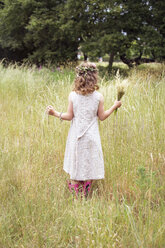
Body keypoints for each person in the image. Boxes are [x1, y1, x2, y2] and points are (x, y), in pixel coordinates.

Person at [46, 62, 121, 198]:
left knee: (76, 165)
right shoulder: (98, 97)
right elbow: (102, 117)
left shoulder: (73, 96)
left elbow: (69, 116)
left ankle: (76, 198)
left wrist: (54, 113)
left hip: (76, 136)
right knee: (88, 164)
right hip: (92, 136)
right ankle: (85, 196)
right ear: (94, 77)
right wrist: (114, 106)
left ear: (79, 77)